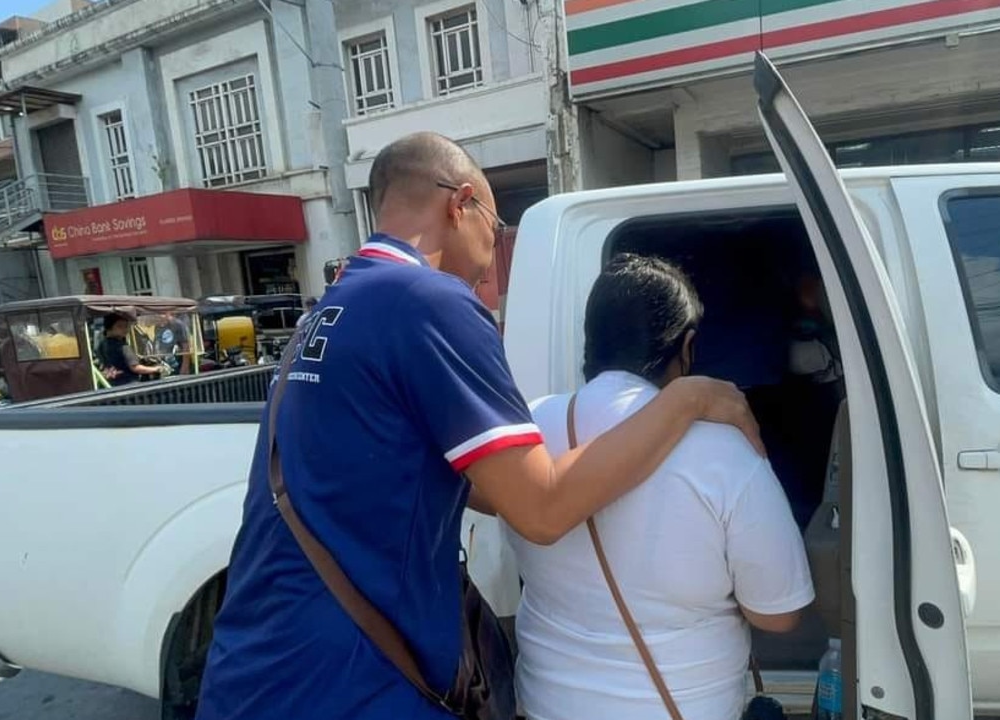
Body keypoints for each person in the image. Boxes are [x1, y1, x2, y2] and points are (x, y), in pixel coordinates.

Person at [195, 132, 762, 720]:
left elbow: (447, 480)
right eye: (495, 220)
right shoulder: (430, 301)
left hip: (259, 666)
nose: (495, 242)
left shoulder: (333, 308)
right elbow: (541, 511)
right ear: (459, 203)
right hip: (352, 685)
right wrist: (684, 402)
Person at [504, 254, 814, 720]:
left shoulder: (528, 427)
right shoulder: (725, 448)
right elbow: (779, 614)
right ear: (687, 347)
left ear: (592, 339)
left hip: (544, 705)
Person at [96, 312, 165, 386]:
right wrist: (156, 369)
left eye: (126, 326)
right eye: (120, 326)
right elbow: (135, 367)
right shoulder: (123, 347)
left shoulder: (101, 345)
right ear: (109, 328)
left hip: (111, 385)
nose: (125, 329)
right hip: (129, 385)